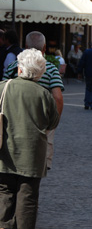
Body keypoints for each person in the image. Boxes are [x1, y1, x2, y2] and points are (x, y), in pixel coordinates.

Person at [0, 49, 59, 229]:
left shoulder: (3, 87)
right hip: (32, 152)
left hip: (4, 149)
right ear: (40, 72)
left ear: (19, 68)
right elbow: (53, 121)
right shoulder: (42, 93)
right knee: (28, 194)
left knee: (4, 190)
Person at [3, 31, 64, 170]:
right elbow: (58, 98)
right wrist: (53, 123)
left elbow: (5, 90)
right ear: (44, 48)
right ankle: (42, 166)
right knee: (41, 154)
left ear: (25, 47)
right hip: (42, 118)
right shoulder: (51, 69)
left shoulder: (13, 66)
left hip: (15, 116)